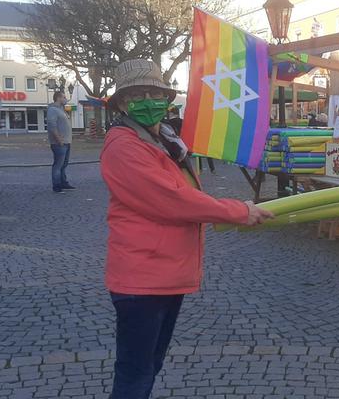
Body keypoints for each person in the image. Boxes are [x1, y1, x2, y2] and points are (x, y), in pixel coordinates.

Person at [100, 59, 274, 399]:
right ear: (121, 103)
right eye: (137, 95)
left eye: (155, 93)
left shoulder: (165, 140)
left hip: (164, 273)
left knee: (149, 366)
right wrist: (238, 211)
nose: (148, 100)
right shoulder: (124, 146)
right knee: (135, 374)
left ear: (167, 100)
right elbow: (173, 200)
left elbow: (185, 194)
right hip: (142, 278)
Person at [47, 91, 74, 193]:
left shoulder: (61, 110)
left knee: (64, 164)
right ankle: (57, 186)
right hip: (59, 143)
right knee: (58, 165)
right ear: (58, 98)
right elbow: (52, 126)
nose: (65, 99)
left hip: (66, 142)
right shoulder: (52, 110)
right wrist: (58, 139)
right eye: (64, 97)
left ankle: (63, 183)